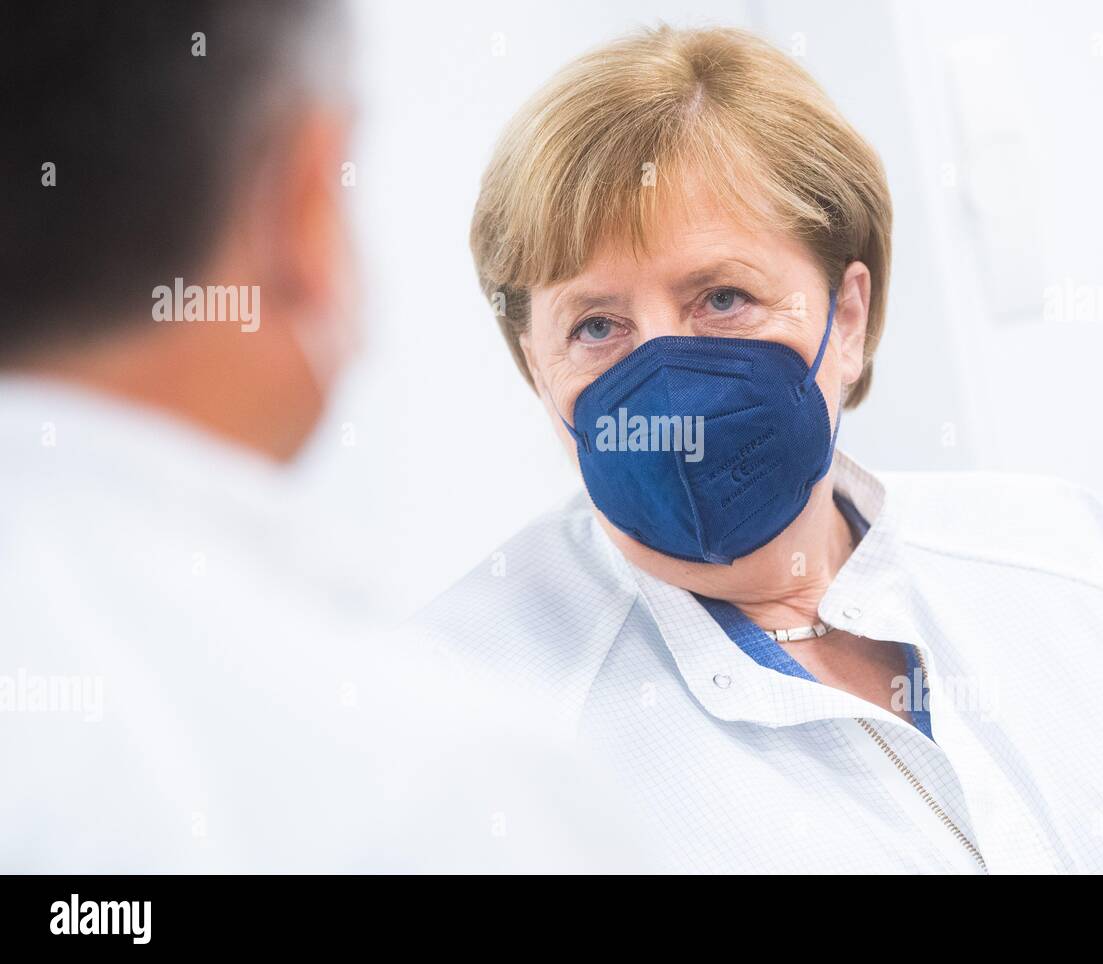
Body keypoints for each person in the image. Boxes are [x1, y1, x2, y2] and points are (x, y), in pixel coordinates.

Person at [415, 24, 1103, 873]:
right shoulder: (468, 722)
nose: (668, 385)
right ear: (538, 373)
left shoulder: (1065, 557)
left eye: (722, 299)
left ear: (846, 317)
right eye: (597, 325)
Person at [0, 0, 650, 873]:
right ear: (300, 205)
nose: (667, 362)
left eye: (725, 299)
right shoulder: (442, 782)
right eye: (599, 324)